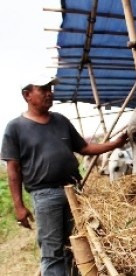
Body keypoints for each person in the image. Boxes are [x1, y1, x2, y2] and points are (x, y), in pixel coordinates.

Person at [1, 75, 128, 276]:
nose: (49, 93)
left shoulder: (60, 120)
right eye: (43, 89)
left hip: (75, 191)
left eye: (50, 88)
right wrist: (19, 206)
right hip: (45, 195)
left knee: (78, 244)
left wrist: (115, 144)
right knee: (53, 252)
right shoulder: (15, 128)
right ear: (27, 95)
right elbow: (13, 169)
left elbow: (85, 147)